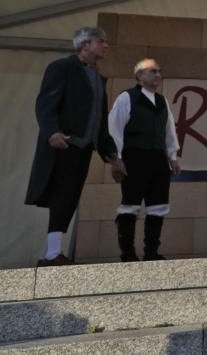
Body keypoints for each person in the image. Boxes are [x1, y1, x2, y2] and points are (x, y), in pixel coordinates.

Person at [25, 27, 120, 266]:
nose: (106, 46)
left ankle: (51, 252)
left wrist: (110, 153)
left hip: (84, 147)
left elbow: (100, 119)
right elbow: (46, 103)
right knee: (61, 194)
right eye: (101, 41)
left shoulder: (98, 77)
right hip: (64, 144)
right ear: (84, 45)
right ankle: (51, 253)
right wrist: (52, 132)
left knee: (70, 196)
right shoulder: (62, 68)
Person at [108, 58, 181, 262]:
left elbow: (169, 131)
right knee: (130, 204)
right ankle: (128, 253)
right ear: (139, 75)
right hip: (134, 157)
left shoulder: (162, 101)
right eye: (152, 71)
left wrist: (173, 156)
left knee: (158, 205)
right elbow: (115, 129)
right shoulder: (127, 98)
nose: (157, 75)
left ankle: (151, 252)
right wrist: (117, 158)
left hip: (157, 159)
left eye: (159, 71)